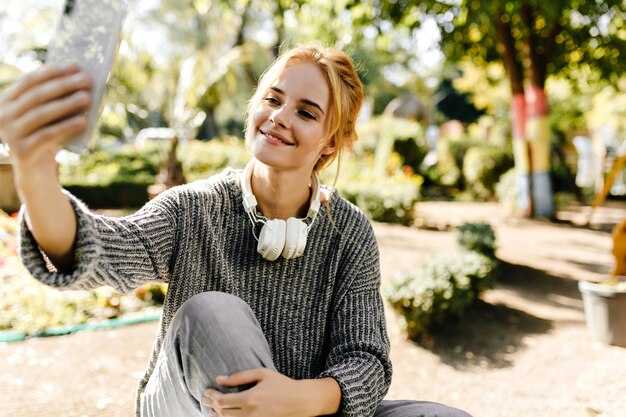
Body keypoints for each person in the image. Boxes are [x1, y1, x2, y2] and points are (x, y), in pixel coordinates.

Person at [0, 43, 472, 417]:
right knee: (212, 315)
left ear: (330, 143)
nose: (281, 117)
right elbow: (99, 251)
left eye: (307, 112)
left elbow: (366, 361)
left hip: (298, 410)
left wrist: (298, 399)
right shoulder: (193, 208)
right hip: (190, 408)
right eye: (273, 98)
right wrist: (35, 170)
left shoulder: (349, 234)